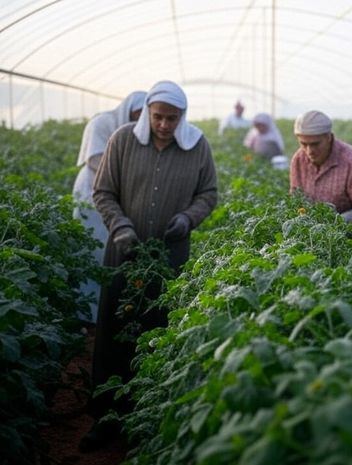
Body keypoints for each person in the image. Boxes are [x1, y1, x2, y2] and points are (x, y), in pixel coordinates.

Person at [80, 80, 218, 451]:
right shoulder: (123, 140)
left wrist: (188, 219)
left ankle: (147, 420)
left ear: (182, 117)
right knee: (114, 329)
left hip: (168, 258)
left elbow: (209, 193)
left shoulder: (196, 146)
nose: (163, 125)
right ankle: (105, 419)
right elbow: (103, 191)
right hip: (123, 253)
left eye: (172, 118)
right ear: (148, 114)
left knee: (157, 331)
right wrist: (121, 227)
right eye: (158, 117)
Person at [72, 90, 146, 323]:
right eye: (137, 113)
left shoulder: (138, 131)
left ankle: (107, 313)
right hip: (92, 191)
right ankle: (86, 315)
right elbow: (94, 159)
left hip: (117, 194)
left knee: (110, 253)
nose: (138, 119)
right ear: (128, 109)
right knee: (92, 251)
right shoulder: (102, 122)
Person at [290, 110, 352, 247]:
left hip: (347, 236)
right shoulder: (298, 160)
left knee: (351, 219)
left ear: (329, 137)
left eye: (315, 144)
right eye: (303, 144)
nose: (309, 151)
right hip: (311, 233)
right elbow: (296, 199)